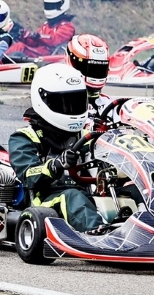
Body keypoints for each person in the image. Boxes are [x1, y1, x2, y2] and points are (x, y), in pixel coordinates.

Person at [8, 64, 100, 231]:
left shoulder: (86, 136)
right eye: (63, 103)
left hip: (88, 196)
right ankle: (99, 236)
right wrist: (56, 165)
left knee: (129, 191)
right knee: (73, 197)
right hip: (44, 200)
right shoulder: (24, 137)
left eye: (76, 102)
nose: (71, 108)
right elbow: (28, 175)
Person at [7, 0, 76, 59]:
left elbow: (53, 40)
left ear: (62, 4)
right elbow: (35, 43)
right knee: (18, 45)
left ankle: (1, 62)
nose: (50, 8)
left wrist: (37, 36)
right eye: (48, 5)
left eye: (52, 6)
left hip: (51, 57)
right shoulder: (46, 25)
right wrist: (22, 36)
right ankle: (1, 60)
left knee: (20, 47)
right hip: (40, 54)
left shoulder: (67, 27)